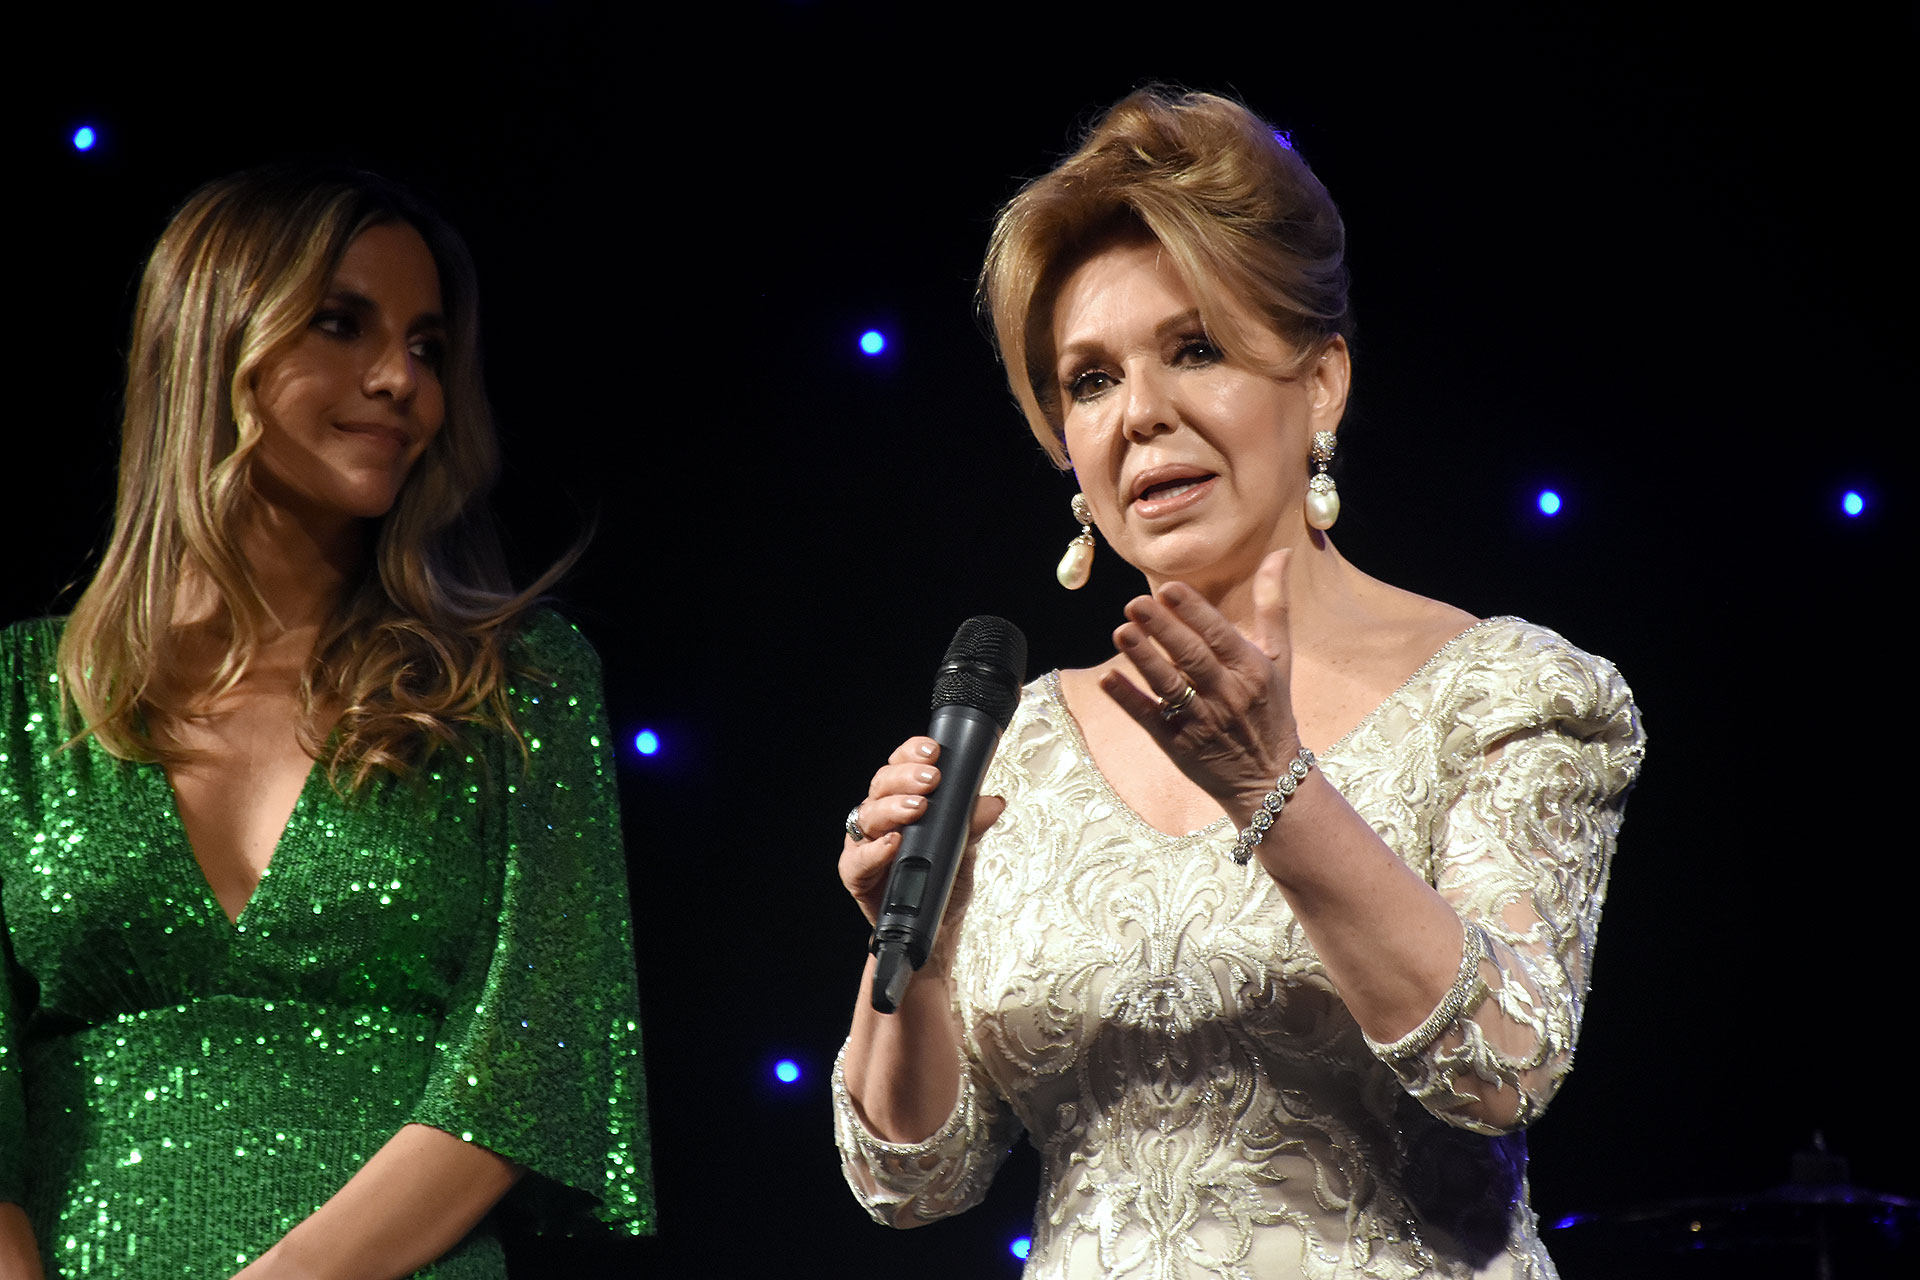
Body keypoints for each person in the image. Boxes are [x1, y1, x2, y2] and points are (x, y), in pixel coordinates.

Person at [832, 88, 1644, 1279]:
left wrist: (1273, 784)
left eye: (1195, 350)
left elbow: (1502, 1060)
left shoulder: (1511, 691)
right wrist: (925, 940)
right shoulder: (1020, 741)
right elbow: (909, 1176)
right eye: (1091, 380)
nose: (1141, 415)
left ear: (1320, 385)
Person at [0, 167, 652, 1279]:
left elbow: (530, 1060)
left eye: (428, 345)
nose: (402, 379)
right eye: (343, 325)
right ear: (209, 343)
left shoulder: (521, 683)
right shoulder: (18, 697)